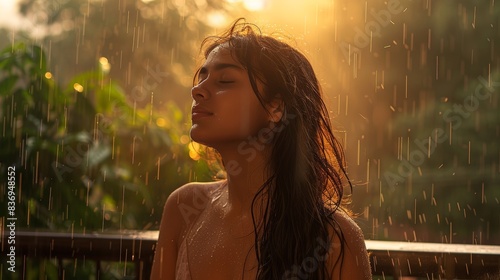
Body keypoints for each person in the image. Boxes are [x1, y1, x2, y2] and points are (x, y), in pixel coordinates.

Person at [150, 18, 372, 280]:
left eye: (225, 81)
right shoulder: (184, 208)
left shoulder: (336, 240)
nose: (197, 90)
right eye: (202, 76)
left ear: (275, 108)